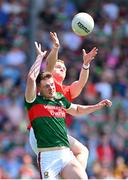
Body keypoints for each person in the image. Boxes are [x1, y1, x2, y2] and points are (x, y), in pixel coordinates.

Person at [25, 69, 112, 179]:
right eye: (47, 86)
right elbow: (32, 78)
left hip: (64, 152)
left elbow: (77, 110)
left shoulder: (59, 97)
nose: (51, 87)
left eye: (52, 85)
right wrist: (42, 57)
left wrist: (97, 106)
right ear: (39, 89)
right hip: (47, 156)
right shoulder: (34, 101)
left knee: (82, 174)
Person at [29, 32, 98, 170]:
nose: (63, 68)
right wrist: (55, 48)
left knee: (82, 152)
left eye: (65, 68)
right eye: (59, 67)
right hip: (42, 132)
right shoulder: (47, 82)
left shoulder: (66, 91)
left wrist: (85, 65)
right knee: (79, 153)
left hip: (54, 135)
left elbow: (80, 84)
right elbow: (49, 63)